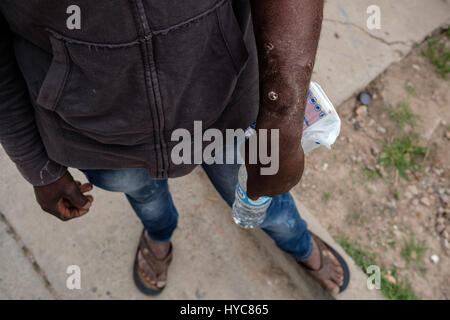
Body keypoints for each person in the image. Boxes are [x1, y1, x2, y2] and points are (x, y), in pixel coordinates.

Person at [0, 0, 349, 295]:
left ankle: (298, 243)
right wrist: (37, 167)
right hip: (99, 136)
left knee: (261, 200)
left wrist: (282, 118)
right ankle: (159, 236)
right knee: (146, 199)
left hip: (225, 103)